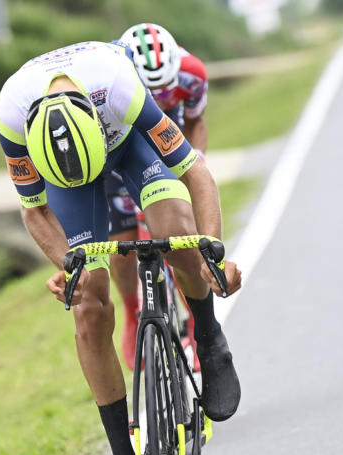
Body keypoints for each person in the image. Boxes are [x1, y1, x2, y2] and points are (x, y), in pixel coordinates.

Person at [0, 40, 242, 455]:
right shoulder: (12, 116)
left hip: (130, 145)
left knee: (177, 234)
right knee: (88, 305)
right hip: (71, 179)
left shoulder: (120, 88)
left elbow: (195, 170)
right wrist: (69, 267)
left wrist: (213, 251)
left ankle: (210, 339)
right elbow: (35, 210)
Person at [107, 23, 211, 372]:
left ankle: (197, 321)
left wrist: (194, 166)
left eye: (166, 87)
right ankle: (131, 311)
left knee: (181, 240)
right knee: (121, 248)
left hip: (168, 143)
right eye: (151, 90)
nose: (160, 95)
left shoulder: (193, 74)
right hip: (120, 148)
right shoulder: (110, 76)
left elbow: (196, 121)